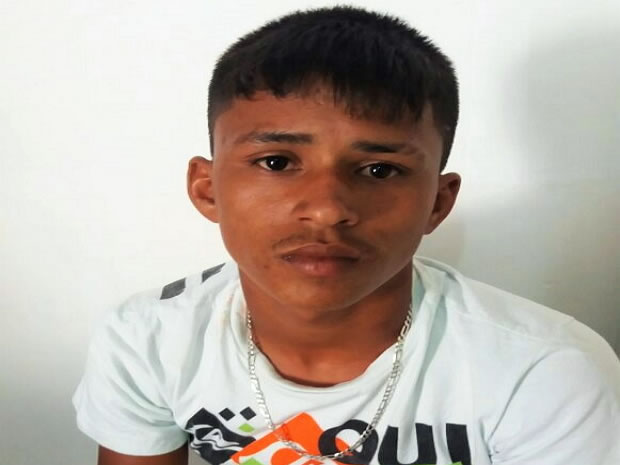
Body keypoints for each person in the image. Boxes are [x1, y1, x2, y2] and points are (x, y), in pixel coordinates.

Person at [73, 5, 620, 465]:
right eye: (277, 162)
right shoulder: (148, 339)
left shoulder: (545, 371)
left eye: (380, 170)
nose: (327, 210)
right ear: (207, 188)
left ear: (438, 202)